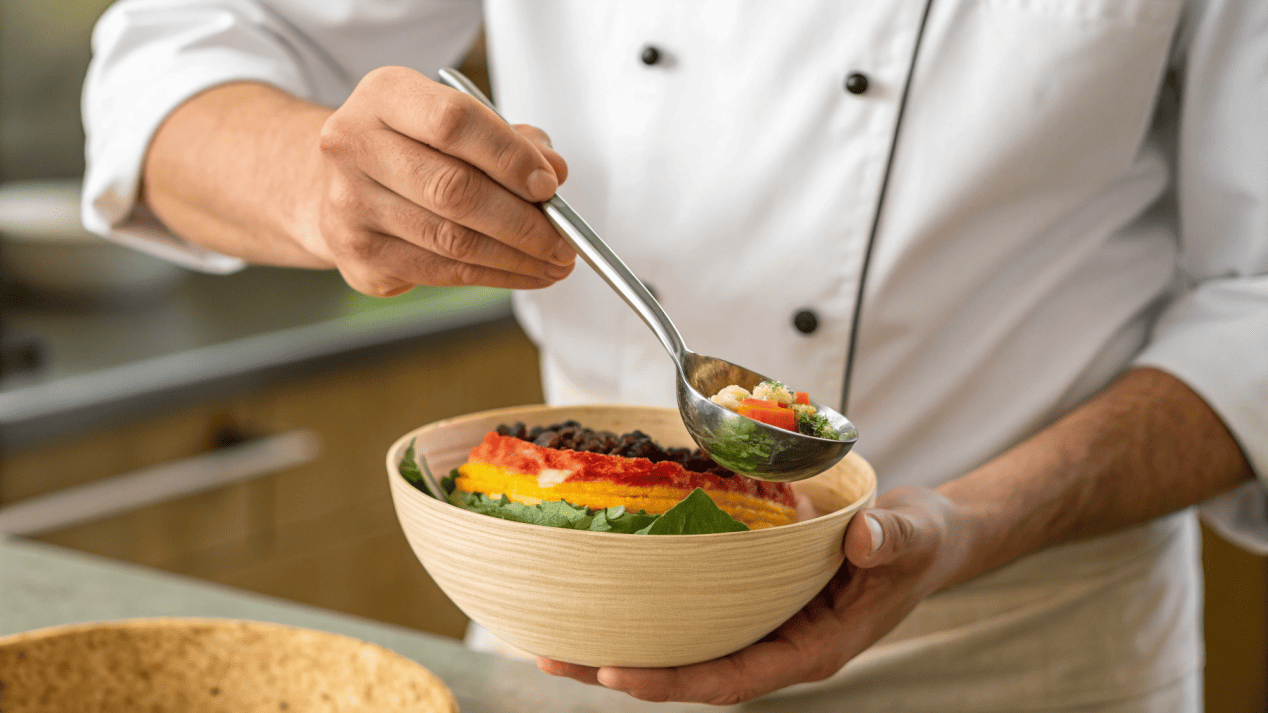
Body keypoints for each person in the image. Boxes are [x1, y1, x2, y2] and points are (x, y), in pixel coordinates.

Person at [82, 1, 1265, 710]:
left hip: (1028, 645)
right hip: (576, 627)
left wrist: (971, 524)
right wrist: (316, 181)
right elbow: (169, 67)